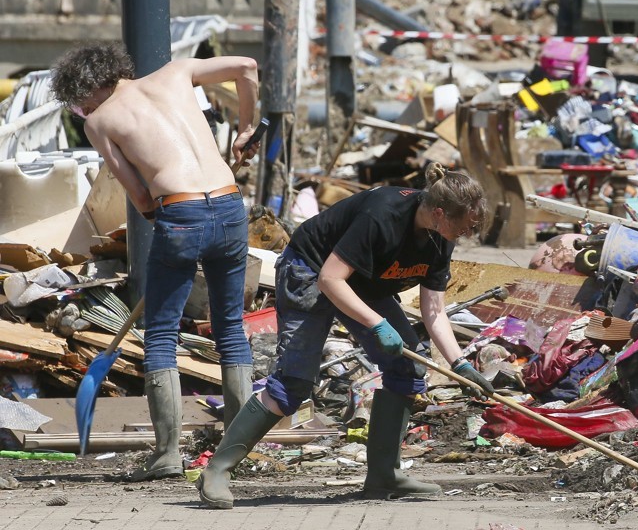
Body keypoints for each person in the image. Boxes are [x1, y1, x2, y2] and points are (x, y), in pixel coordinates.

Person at [197, 163, 495, 509]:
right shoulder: (382, 215)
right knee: (293, 384)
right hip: (310, 271)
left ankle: (384, 474)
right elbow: (330, 279)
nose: (465, 234)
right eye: (463, 227)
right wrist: (377, 324)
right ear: (440, 213)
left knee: (408, 368)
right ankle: (217, 470)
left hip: (359, 282)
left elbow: (435, 311)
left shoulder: (439, 238)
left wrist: (460, 365)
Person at [49, 42, 260, 481]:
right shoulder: (178, 72)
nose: (82, 111)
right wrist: (246, 129)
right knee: (231, 328)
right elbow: (246, 66)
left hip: (179, 212)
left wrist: (159, 215)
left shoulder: (102, 121)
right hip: (228, 206)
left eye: (79, 103)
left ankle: (166, 455)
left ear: (90, 88)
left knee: (161, 334)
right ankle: (240, 448)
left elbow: (140, 195)